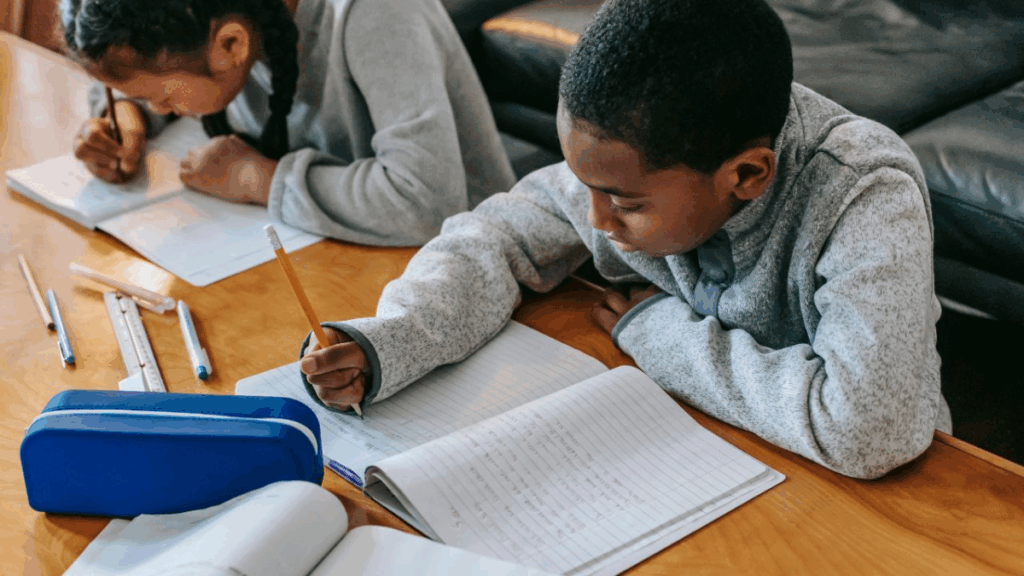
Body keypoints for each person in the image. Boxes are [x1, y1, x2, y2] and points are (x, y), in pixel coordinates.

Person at [297, 0, 951, 479]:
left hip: (864, 497)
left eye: (625, 204)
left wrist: (658, 335)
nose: (597, 221)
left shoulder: (863, 190)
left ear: (747, 175)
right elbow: (491, 235)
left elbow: (870, 428)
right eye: (584, 186)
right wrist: (392, 339)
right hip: (698, 452)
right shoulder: (629, 159)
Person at [59, 0, 516, 245]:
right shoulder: (211, 24)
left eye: (159, 100)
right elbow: (145, 61)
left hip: (467, 262)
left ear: (231, 46)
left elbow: (427, 203)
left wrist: (260, 178)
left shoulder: (373, 13)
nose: (164, 110)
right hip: (332, 249)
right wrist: (127, 115)